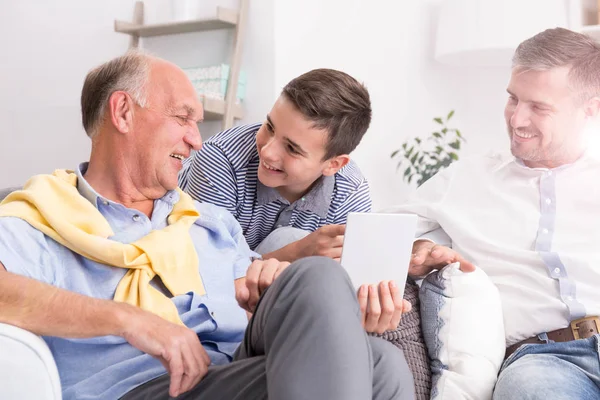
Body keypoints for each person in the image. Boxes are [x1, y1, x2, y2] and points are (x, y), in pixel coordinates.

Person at [0, 51, 415, 400]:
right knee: (378, 364)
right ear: (124, 112)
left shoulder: (207, 221)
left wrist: (273, 285)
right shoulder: (42, 217)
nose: (197, 140)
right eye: (183, 118)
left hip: (230, 367)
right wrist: (130, 319)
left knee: (369, 343)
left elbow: (256, 291)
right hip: (141, 386)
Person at [389, 27, 600, 399]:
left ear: (590, 110)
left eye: (539, 107)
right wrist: (417, 248)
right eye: (513, 99)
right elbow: (375, 232)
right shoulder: (466, 179)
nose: (517, 120)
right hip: (544, 361)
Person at [179, 68, 372, 262]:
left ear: (333, 165)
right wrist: (298, 251)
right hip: (186, 255)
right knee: (291, 240)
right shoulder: (220, 159)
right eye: (269, 127)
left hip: (259, 273)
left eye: (292, 148)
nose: (267, 152)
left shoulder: (350, 191)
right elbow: (204, 269)